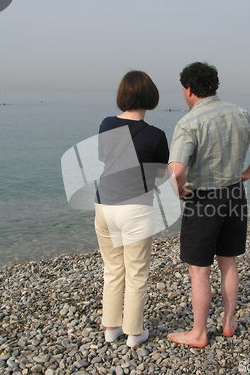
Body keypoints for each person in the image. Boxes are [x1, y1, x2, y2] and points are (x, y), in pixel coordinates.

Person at [167, 62, 250, 348]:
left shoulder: (189, 122)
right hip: (234, 194)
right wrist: (248, 173)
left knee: (199, 269)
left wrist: (178, 190)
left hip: (203, 199)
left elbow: (177, 170)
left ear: (189, 89)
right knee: (228, 262)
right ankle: (228, 323)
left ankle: (199, 333)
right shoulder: (239, 113)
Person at [94, 71, 169, 347]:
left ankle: (111, 328)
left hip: (104, 204)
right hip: (136, 208)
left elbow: (103, 156)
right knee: (136, 272)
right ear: (150, 98)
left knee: (112, 268)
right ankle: (135, 333)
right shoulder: (156, 136)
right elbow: (160, 173)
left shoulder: (106, 124)